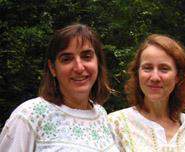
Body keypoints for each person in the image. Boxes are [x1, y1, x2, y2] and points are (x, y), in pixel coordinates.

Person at [0, 23, 119, 151]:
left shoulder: (100, 114)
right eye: (67, 59)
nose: (79, 67)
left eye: (86, 57)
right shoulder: (29, 115)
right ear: (53, 68)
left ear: (98, 62)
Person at [108, 34, 185, 152]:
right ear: (137, 74)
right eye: (147, 68)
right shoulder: (116, 124)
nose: (155, 77)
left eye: (164, 68)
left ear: (177, 76)